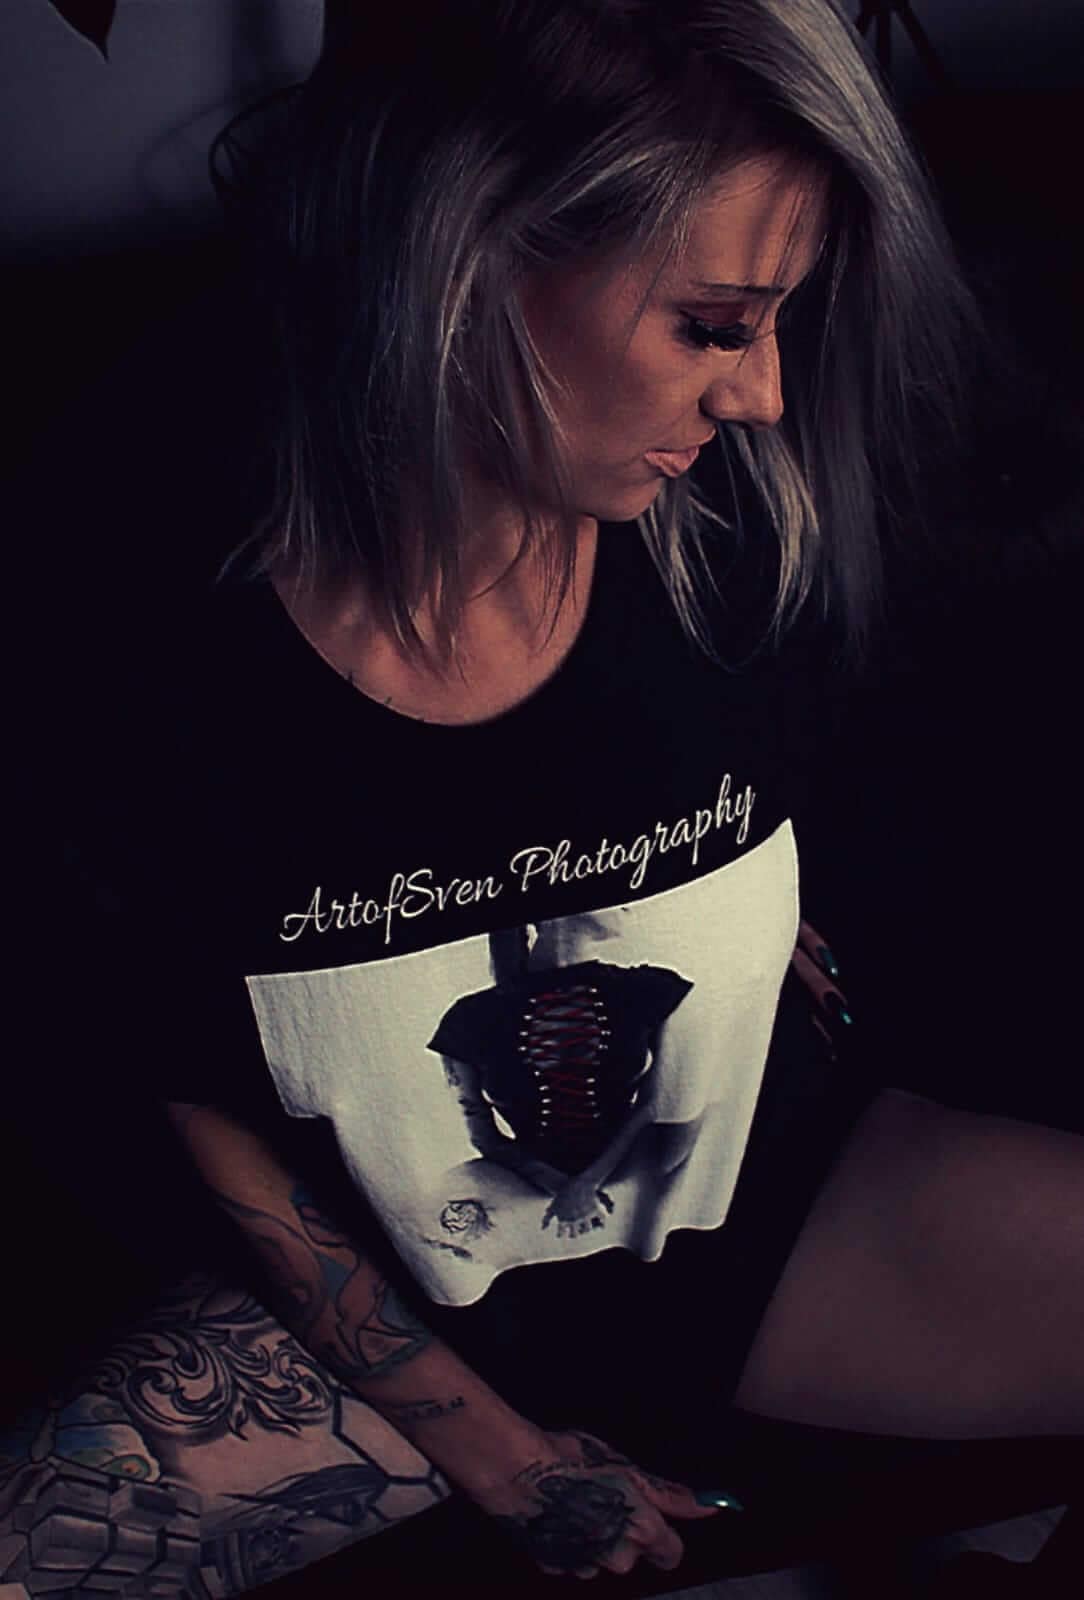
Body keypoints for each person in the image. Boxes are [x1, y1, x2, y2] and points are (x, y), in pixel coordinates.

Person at [5, 1, 1082, 1593]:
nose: (762, 396)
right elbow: (172, 1082)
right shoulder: (140, 610)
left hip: (778, 1217)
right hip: (385, 1295)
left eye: (777, 323)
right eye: (713, 325)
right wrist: (490, 1445)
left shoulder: (739, 542)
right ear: (467, 261)